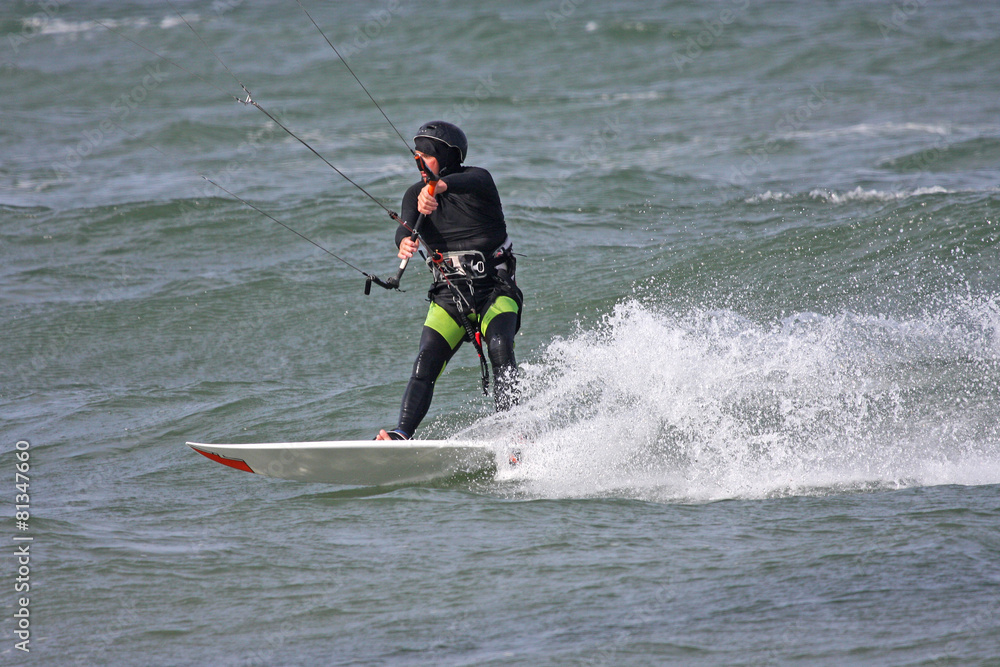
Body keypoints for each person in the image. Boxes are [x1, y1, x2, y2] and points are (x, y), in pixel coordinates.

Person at [376, 121, 523, 440]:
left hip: (494, 292)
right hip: (448, 297)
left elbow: (466, 182)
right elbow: (404, 225)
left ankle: (511, 432)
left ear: (445, 157)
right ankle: (401, 433)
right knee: (425, 363)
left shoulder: (479, 180)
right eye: (415, 156)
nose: (418, 164)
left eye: (425, 157)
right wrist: (402, 240)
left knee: (500, 347)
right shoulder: (414, 194)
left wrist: (438, 188)